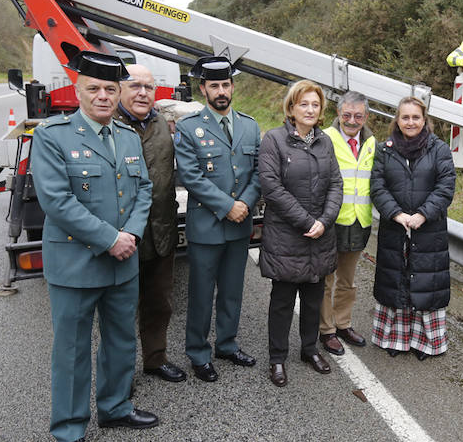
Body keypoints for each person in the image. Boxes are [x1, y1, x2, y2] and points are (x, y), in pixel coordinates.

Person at [30, 51, 158, 442]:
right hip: (76, 263)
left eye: (110, 89)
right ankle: (69, 429)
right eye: (94, 89)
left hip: (123, 261)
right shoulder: (52, 135)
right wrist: (109, 239)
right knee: (72, 350)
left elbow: (143, 190)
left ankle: (116, 406)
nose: (103, 96)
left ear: (119, 91)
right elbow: (57, 202)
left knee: (121, 339)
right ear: (78, 91)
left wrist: (132, 235)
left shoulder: (128, 136)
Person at [174, 56, 262, 382]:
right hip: (207, 226)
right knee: (201, 293)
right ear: (203, 89)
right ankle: (198, 352)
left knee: (232, 291)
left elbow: (258, 173)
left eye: (226, 84)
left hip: (239, 227)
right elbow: (191, 177)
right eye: (214, 85)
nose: (221, 91)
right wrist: (229, 206)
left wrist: (246, 203)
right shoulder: (188, 127)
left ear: (233, 86)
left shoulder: (250, 126)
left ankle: (227, 343)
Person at [258, 80, 342, 387]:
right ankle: (277, 358)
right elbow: (272, 188)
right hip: (287, 235)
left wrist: (325, 219)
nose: (309, 110)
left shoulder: (325, 142)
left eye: (315, 105)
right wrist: (307, 222)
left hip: (320, 233)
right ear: (291, 108)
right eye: (303, 104)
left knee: (312, 297)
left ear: (321, 111)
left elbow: (336, 184)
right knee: (282, 300)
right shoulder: (274, 140)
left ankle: (309, 349)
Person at [370, 96, 456, 361]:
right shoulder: (385, 150)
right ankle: (394, 339)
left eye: (415, 117)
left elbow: (446, 186)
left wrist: (422, 214)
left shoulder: (439, 149)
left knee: (424, 283)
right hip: (395, 228)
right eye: (405, 117)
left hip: (428, 229)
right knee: (396, 281)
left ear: (425, 119)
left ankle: (425, 343)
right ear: (397, 120)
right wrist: (395, 214)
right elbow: (377, 186)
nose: (410, 122)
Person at [116, 64, 186, 383]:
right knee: (119, 310)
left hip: (161, 231)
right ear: (119, 89)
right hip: (120, 237)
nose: (142, 92)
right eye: (134, 86)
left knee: (159, 302)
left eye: (148, 86)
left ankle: (156, 359)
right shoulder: (108, 123)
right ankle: (121, 373)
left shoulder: (163, 124)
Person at [319, 91, 375, 356]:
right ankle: (326, 329)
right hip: (330, 222)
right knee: (326, 280)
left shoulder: (373, 143)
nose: (352, 121)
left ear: (366, 117)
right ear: (338, 114)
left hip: (358, 222)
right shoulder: (324, 138)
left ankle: (343, 324)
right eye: (347, 115)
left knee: (348, 282)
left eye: (358, 116)